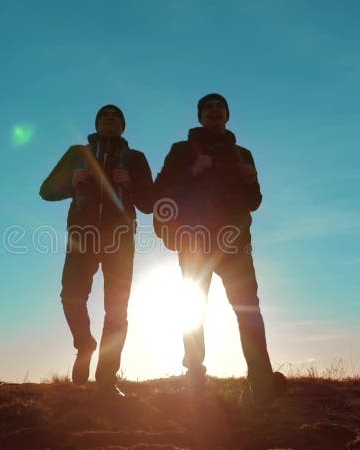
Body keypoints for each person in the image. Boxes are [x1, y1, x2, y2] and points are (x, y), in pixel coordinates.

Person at [153, 93, 284, 406]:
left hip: (235, 244)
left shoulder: (243, 154)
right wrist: (192, 172)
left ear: (227, 114)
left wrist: (251, 181)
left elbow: (253, 202)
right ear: (200, 116)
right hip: (194, 242)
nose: (213, 110)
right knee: (194, 309)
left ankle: (260, 379)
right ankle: (195, 374)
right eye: (207, 107)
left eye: (219, 106)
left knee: (247, 309)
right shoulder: (182, 150)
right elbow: (160, 191)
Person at [40, 105, 153, 397]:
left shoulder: (135, 158)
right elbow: (46, 190)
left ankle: (106, 379)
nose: (110, 120)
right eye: (105, 116)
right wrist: (70, 182)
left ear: (123, 125)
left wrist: (130, 183)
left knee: (117, 310)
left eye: (116, 117)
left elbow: (150, 202)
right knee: (70, 297)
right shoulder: (78, 153)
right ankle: (84, 344)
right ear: (97, 123)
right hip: (83, 237)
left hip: (120, 239)